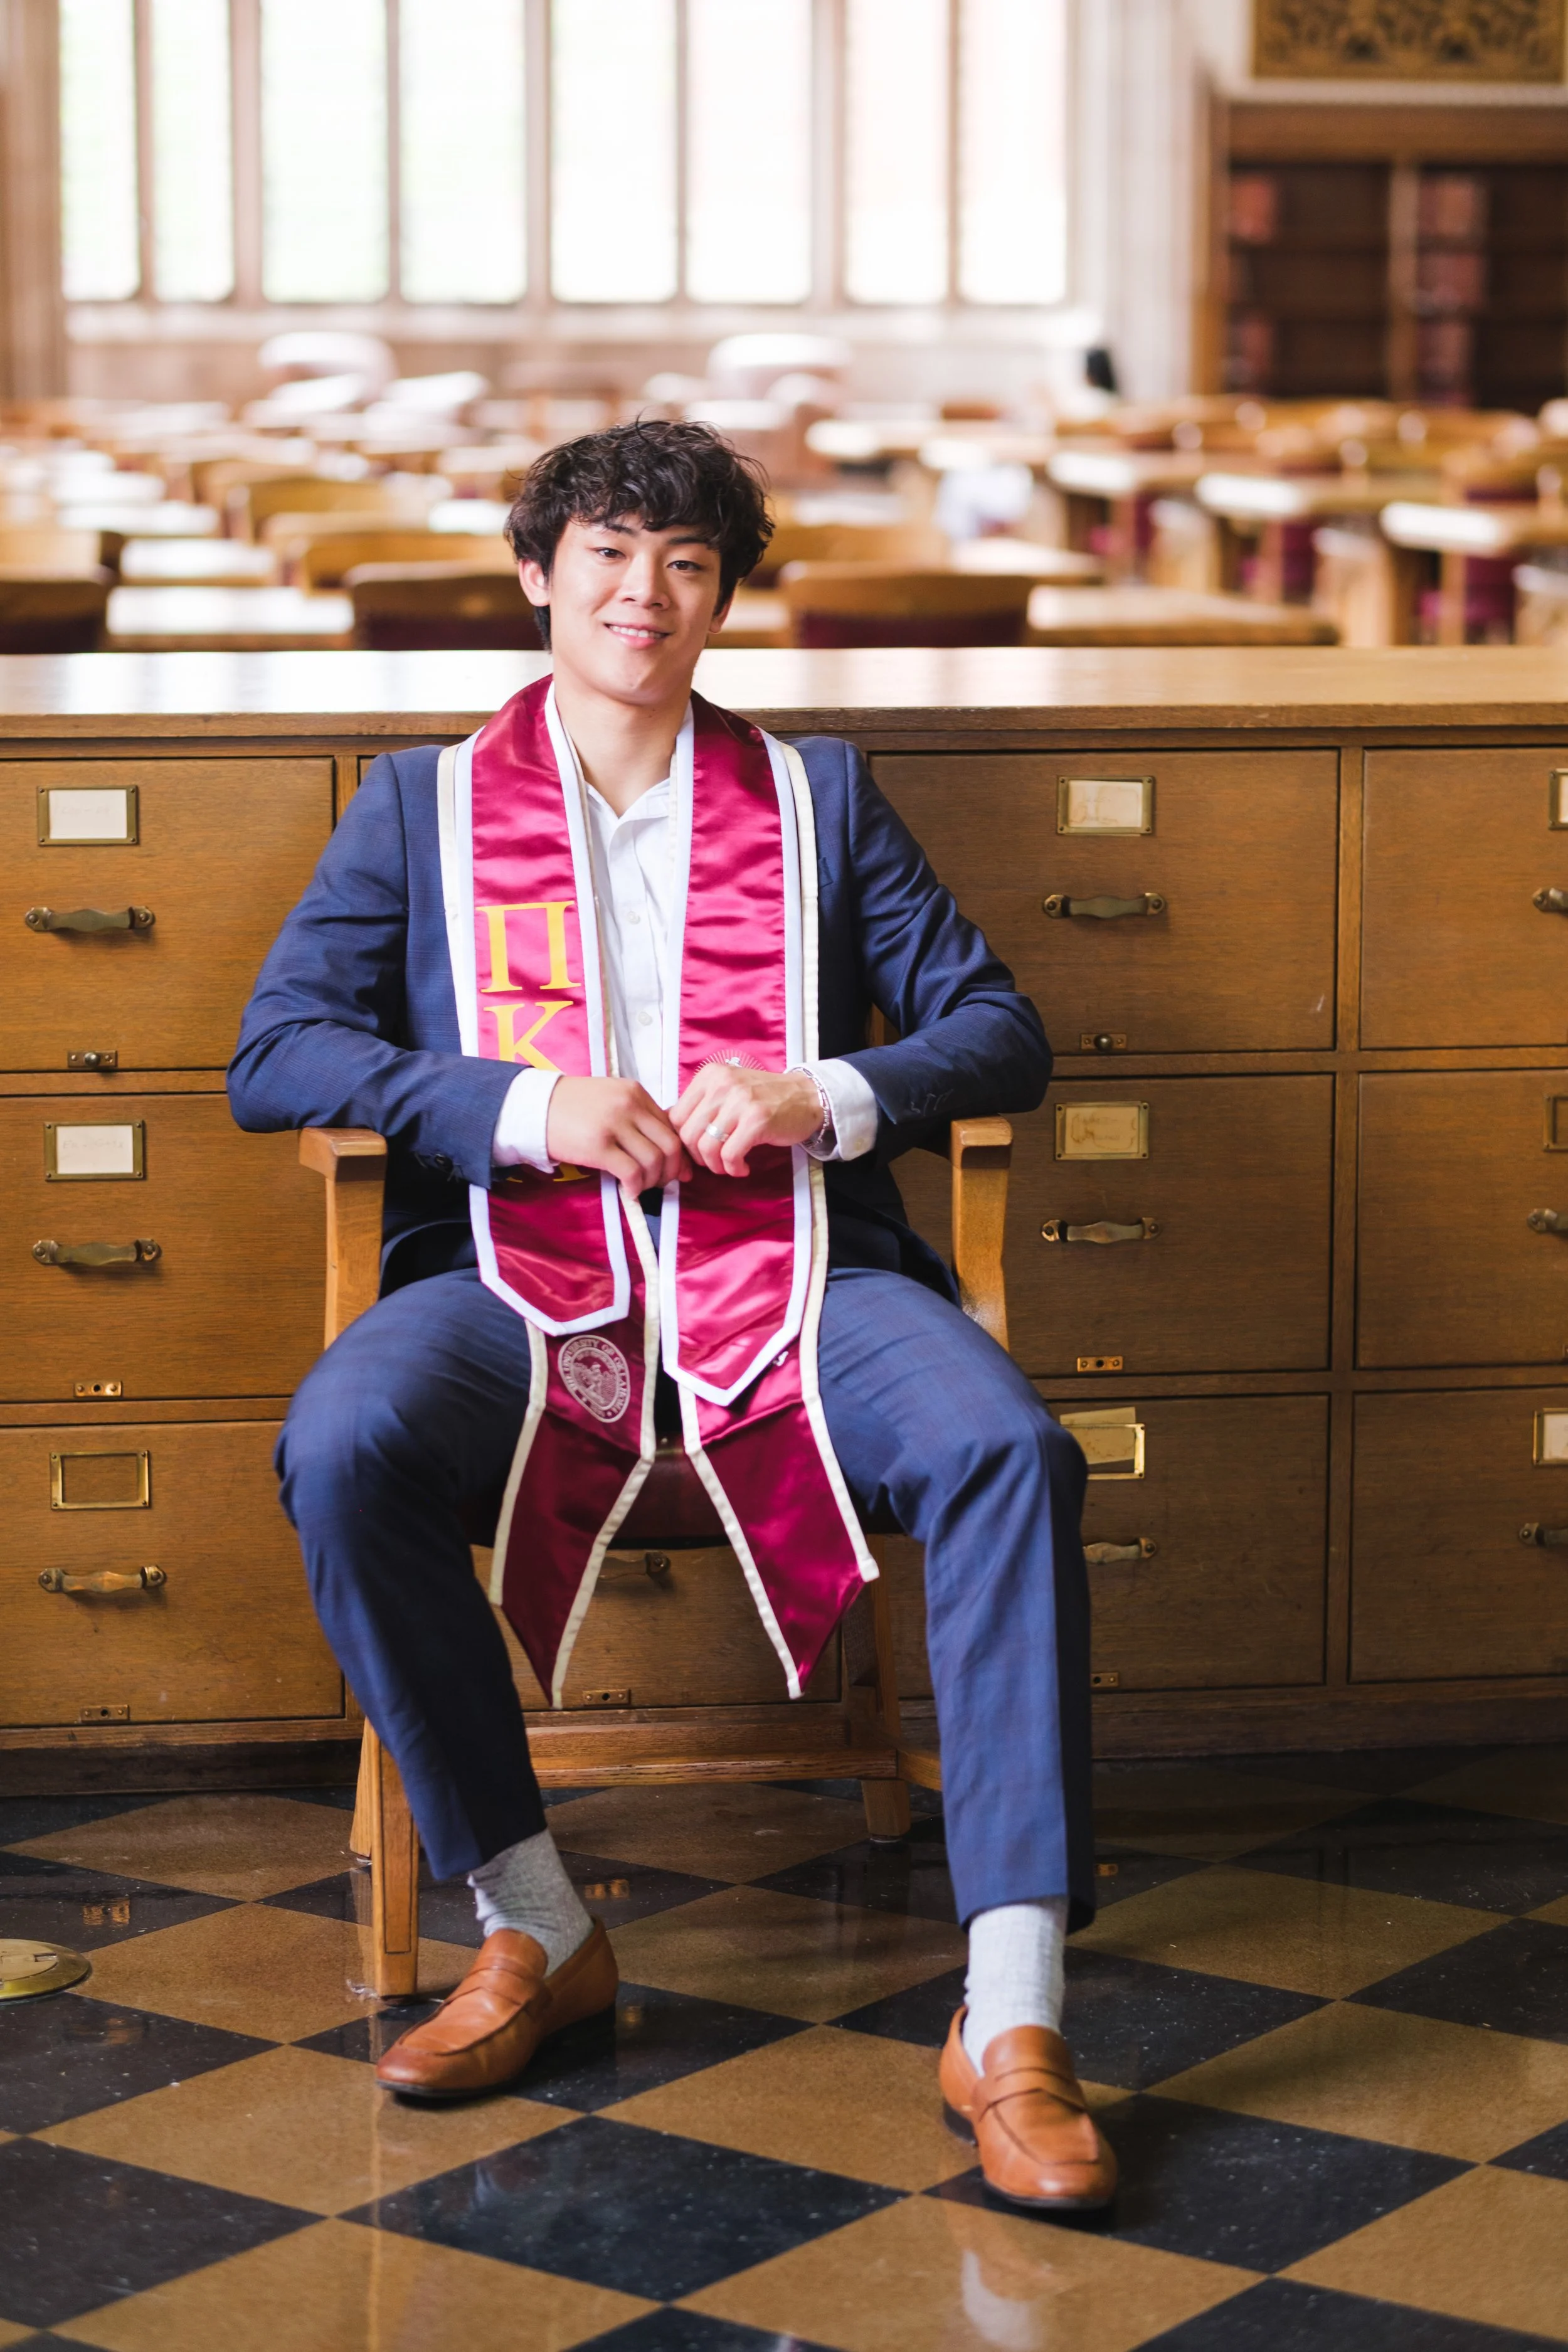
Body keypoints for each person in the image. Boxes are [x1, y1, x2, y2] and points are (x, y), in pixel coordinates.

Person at [228, 420, 1113, 2212]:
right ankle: (535, 1926)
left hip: (805, 1275)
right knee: (340, 1441)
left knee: (1011, 1449)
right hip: (510, 1277)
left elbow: (998, 1031)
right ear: (539, 574)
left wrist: (822, 1091)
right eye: (611, 555)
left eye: (689, 563)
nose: (646, 594)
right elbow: (277, 1053)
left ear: (722, 597)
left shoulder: (817, 801)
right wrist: (514, 1103)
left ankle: (1010, 2014)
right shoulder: (422, 804)